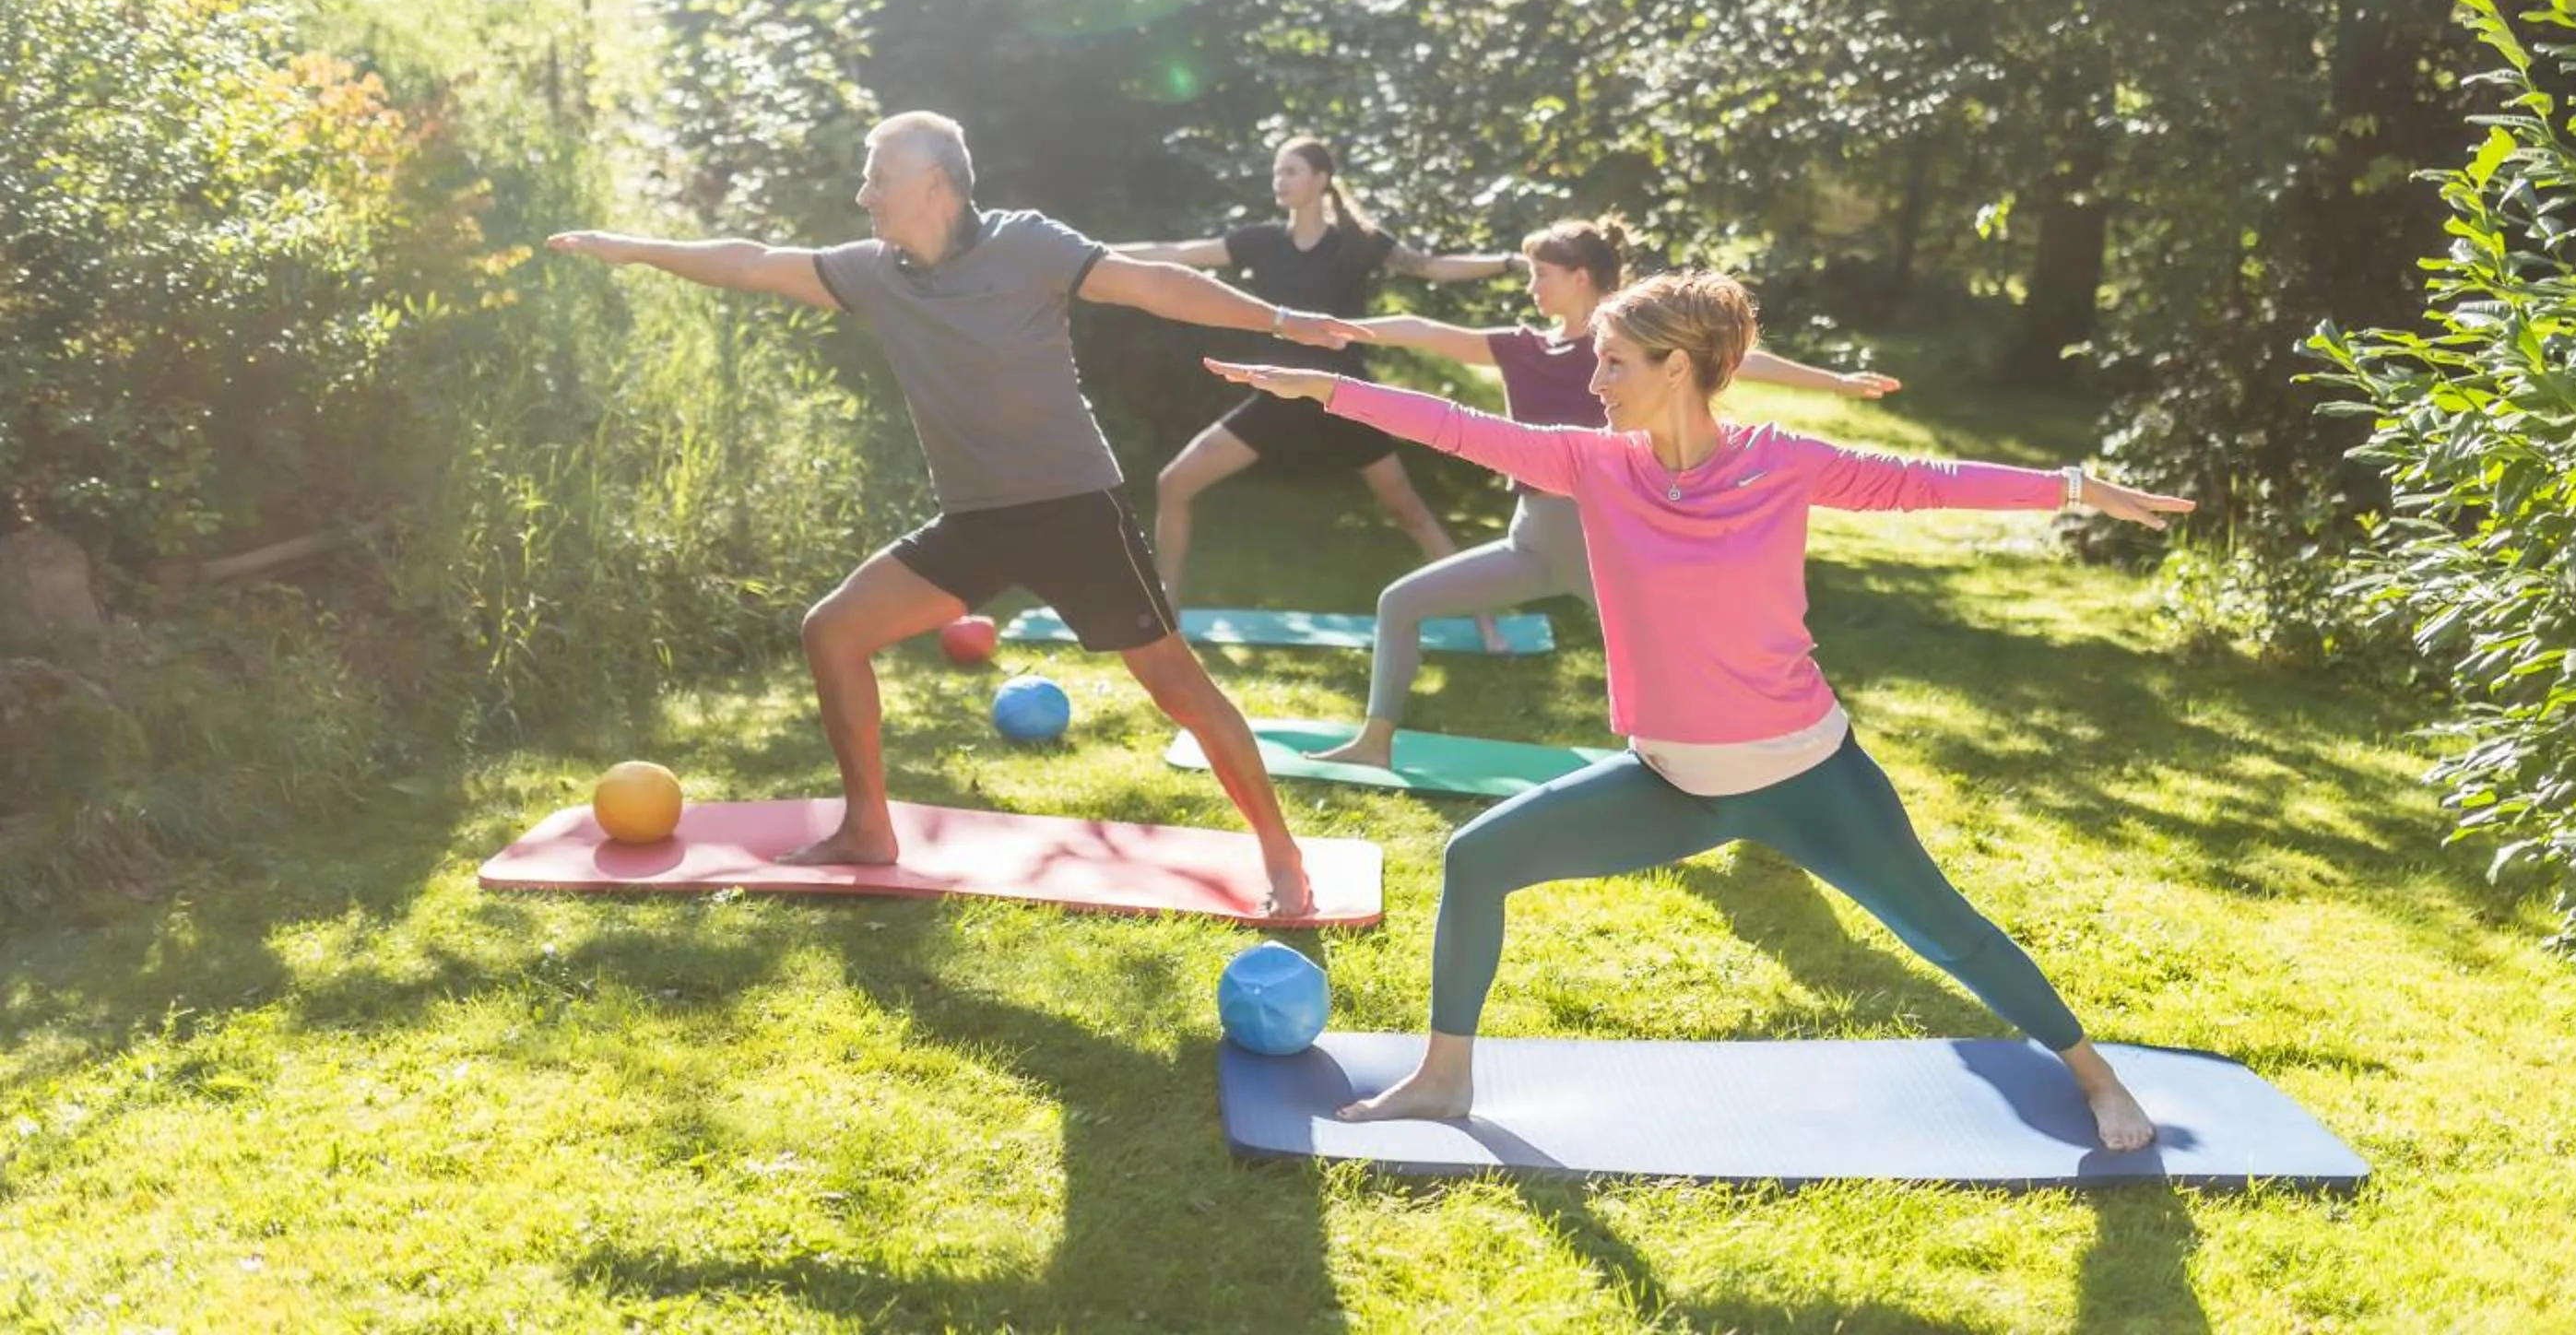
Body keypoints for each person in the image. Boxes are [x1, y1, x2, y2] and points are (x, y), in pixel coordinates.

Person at [1202, 270, 2192, 1147]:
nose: (1596, 384)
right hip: (1671, 779)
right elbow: (1461, 427)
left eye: (1614, 362)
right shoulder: (1599, 465)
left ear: (1678, 366)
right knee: (1478, 856)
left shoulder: (1781, 460)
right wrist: (1325, 387)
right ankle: (1445, 1075)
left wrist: (2075, 485)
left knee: (1950, 934)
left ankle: (2096, 1076)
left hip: (1808, 775)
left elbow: (1925, 482)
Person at [550, 111, 1365, 916]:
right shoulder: (876, 271)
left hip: (1074, 510)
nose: (864, 196)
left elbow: (1150, 284)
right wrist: (633, 249)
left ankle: (1280, 851)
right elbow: (756, 262)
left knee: (1176, 687)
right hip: (974, 521)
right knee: (832, 632)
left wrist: (1281, 321)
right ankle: (868, 828)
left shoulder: (1027, 244)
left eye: (878, 178)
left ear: (931, 183)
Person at [1332, 214, 1901, 768]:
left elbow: (1742, 359)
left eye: (1542, 274)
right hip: (1532, 542)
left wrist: (1835, 383)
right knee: (1400, 602)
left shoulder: (1629, 346)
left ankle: (1762, 762)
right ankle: (1375, 739)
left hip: (1607, 543)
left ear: (1579, 277)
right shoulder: (1523, 347)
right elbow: (1430, 334)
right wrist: (1335, 327)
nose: (1531, 288)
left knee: (1691, 658)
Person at [1111, 136, 1518, 639]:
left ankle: (1485, 620)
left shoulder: (1357, 242)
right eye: (1277, 172)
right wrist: (1093, 255)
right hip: (1276, 396)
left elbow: (1430, 266)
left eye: (1292, 171)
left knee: (1408, 511)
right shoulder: (1260, 241)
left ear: (1321, 180)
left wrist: (1506, 262)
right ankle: (1167, 614)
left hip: (1344, 398)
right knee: (1174, 484)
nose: (1279, 180)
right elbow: (1177, 253)